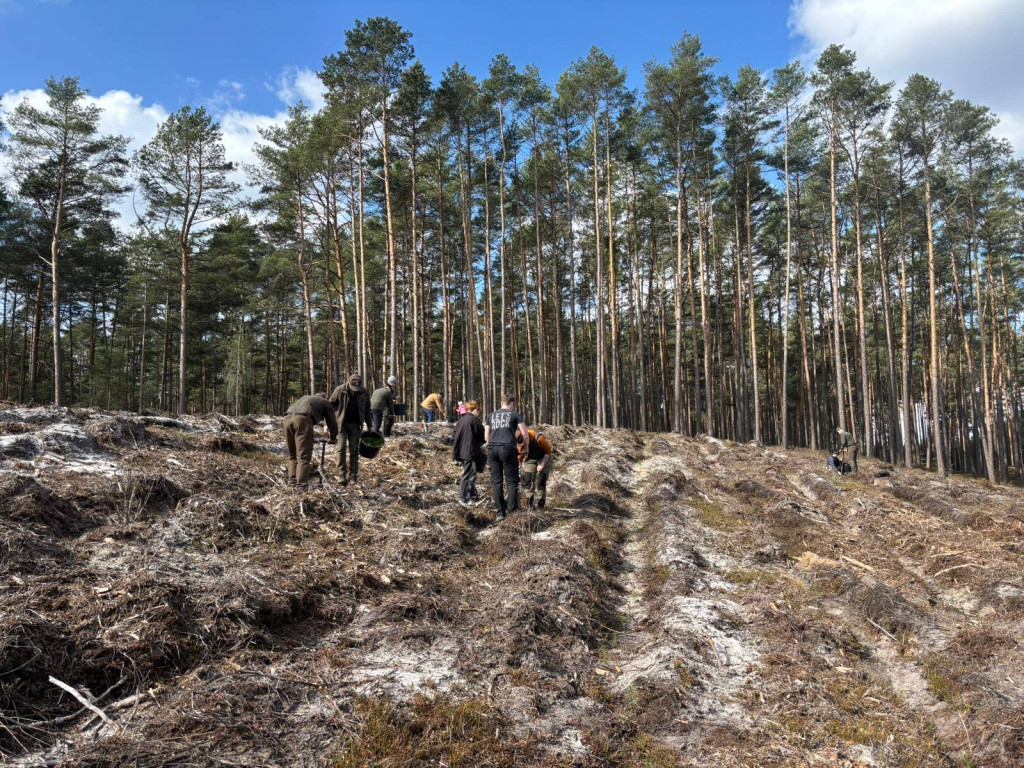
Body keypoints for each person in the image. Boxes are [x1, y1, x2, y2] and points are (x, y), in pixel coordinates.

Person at [484, 394, 529, 520]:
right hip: (508, 448)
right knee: (512, 481)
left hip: (492, 449)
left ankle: (500, 512)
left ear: (501, 402)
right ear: (511, 404)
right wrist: (526, 448)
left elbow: (486, 437)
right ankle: (512, 511)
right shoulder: (514, 415)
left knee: (496, 481)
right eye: (513, 404)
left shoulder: (491, 416)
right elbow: (525, 434)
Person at [283, 393, 337, 489]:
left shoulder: (305, 397)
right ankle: (301, 487)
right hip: (302, 421)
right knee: (303, 457)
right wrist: (333, 438)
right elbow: (332, 422)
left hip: (286, 419)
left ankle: (292, 484)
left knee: (293, 455)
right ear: (325, 397)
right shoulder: (325, 402)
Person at [329, 374, 370, 485]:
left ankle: (353, 475)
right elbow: (330, 405)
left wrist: (370, 426)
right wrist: (329, 422)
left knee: (354, 449)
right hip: (341, 425)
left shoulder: (364, 392)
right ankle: (341, 474)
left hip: (356, 425)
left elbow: (367, 409)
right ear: (348, 383)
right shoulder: (339, 390)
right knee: (341, 448)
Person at [452, 400, 485, 506]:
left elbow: (454, 435)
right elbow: (482, 435)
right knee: (468, 475)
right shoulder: (474, 420)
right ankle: (463, 498)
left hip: (463, 451)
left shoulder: (461, 420)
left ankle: (473, 496)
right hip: (470, 451)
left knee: (471, 474)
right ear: (475, 409)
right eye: (478, 411)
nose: (479, 413)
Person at [520, 428, 553, 510]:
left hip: (543, 457)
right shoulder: (520, 440)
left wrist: (542, 464)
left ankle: (541, 505)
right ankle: (529, 505)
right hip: (531, 459)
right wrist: (519, 468)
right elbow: (519, 457)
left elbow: (548, 451)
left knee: (541, 481)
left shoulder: (539, 438)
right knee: (528, 480)